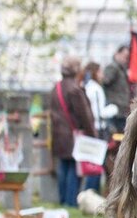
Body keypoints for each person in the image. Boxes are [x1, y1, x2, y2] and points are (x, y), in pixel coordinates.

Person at [51, 56, 97, 207]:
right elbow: (84, 115)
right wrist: (92, 135)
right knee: (73, 169)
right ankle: (71, 201)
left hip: (58, 134)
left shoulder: (56, 87)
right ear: (76, 70)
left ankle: (63, 199)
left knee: (63, 166)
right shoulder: (74, 89)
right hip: (72, 135)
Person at [81, 62, 110, 193]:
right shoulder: (96, 89)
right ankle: (92, 191)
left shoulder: (85, 86)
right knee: (96, 163)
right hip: (98, 128)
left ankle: (89, 191)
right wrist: (113, 109)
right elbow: (99, 112)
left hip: (88, 127)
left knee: (91, 161)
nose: (102, 75)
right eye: (100, 72)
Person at [99, 44, 131, 136]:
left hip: (120, 110)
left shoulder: (121, 69)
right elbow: (105, 81)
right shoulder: (113, 67)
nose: (126, 59)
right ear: (117, 54)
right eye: (124, 56)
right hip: (115, 110)